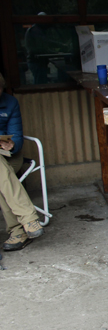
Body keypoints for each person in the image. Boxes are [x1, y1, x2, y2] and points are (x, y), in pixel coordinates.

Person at [0, 73, 45, 252]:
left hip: (9, 157)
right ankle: (28, 220)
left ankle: (18, 231)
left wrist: (12, 144)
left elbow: (17, 136)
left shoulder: (10, 103)